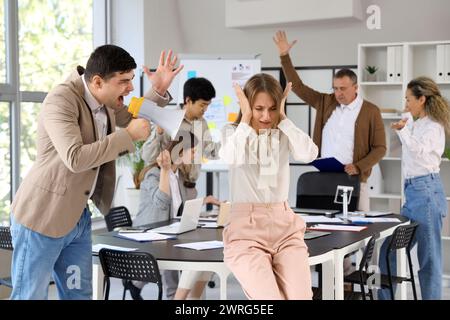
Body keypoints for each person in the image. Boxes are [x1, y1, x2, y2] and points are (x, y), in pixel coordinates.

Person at [9, 45, 182, 300]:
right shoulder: (61, 100)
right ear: (98, 81)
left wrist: (157, 90)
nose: (130, 88)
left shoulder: (106, 101)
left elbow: (133, 115)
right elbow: (75, 158)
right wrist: (128, 136)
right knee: (30, 296)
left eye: (131, 80)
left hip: (77, 218)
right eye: (124, 81)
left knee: (79, 296)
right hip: (42, 217)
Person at [273, 30, 386, 277]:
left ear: (356, 87)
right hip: (324, 180)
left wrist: (358, 165)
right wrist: (284, 57)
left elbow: (380, 147)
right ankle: (337, 283)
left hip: (355, 181)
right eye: (335, 88)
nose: (338, 93)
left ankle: (359, 281)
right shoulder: (326, 102)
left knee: (361, 237)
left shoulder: (370, 111)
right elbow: (299, 87)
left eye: (343, 89)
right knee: (329, 236)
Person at [219, 73, 319, 299]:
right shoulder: (232, 133)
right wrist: (245, 119)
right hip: (246, 230)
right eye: (258, 108)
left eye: (272, 108)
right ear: (247, 106)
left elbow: (309, 153)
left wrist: (283, 119)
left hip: (284, 226)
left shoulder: (283, 132)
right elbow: (230, 157)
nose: (266, 115)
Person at [378, 77, 450, 300]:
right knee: (389, 250)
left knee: (429, 259)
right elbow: (410, 138)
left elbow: (418, 150)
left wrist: (403, 131)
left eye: (409, 99)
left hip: (425, 193)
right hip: (413, 193)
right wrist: (405, 124)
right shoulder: (417, 123)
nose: (406, 103)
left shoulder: (434, 127)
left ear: (422, 99)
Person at [131, 131, 220, 300]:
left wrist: (205, 200)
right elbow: (162, 202)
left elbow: (180, 206)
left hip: (167, 230)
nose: (195, 156)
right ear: (180, 151)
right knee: (178, 251)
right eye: (193, 151)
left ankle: (170, 294)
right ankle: (171, 296)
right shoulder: (154, 174)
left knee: (195, 248)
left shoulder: (178, 175)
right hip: (150, 231)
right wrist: (165, 170)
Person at [142, 77, 220, 187]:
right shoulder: (169, 120)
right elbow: (148, 156)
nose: (205, 109)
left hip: (191, 187)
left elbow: (209, 151)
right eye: (202, 105)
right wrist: (159, 134)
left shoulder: (202, 123)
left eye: (208, 105)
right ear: (188, 100)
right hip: (170, 185)